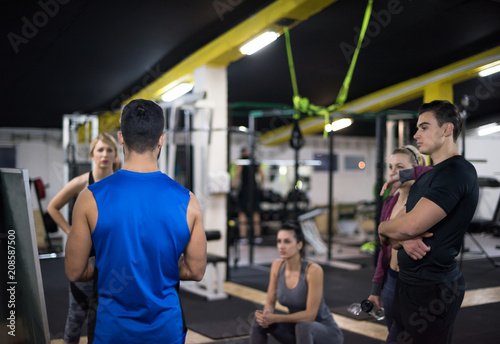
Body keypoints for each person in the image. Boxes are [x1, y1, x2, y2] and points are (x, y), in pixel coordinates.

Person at [65, 99, 207, 344]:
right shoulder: (188, 201)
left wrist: (108, 265)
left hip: (110, 331)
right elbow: (196, 270)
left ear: (121, 138)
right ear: (161, 139)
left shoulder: (89, 198)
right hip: (166, 331)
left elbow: (75, 270)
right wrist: (161, 266)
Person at [379, 100, 479, 344]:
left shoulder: (457, 172)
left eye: (424, 127)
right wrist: (397, 236)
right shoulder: (431, 176)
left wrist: (384, 227)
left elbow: (408, 226)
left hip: (433, 290)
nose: (416, 134)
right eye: (417, 128)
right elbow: (394, 238)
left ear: (446, 130)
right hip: (408, 284)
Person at [47, 132, 118, 344]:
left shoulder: (121, 183)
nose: (105, 154)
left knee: (102, 317)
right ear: (92, 155)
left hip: (111, 258)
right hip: (85, 256)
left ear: (116, 155)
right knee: (76, 315)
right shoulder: (81, 182)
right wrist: (70, 232)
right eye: (100, 150)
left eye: (109, 150)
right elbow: (53, 207)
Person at [367, 145, 432, 344]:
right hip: (391, 281)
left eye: (400, 167)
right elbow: (383, 249)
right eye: (391, 167)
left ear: (414, 168)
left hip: (412, 281)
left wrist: (408, 174)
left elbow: (438, 172)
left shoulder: (424, 200)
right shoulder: (389, 202)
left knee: (398, 338)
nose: (394, 172)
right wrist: (375, 289)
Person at [249, 220, 343, 344]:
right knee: (258, 322)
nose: (281, 246)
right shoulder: (277, 266)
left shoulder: (313, 270)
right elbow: (270, 302)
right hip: (298, 331)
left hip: (326, 334)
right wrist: (266, 315)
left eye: (287, 241)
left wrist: (276, 318)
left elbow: (310, 315)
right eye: (279, 241)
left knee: (303, 325)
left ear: (299, 245)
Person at [233, 147, 265, 244]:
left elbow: (237, 174)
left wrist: (234, 186)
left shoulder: (242, 161)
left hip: (245, 189)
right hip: (253, 189)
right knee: (255, 212)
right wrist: (261, 186)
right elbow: (262, 175)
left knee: (243, 213)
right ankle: (257, 236)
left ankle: (243, 237)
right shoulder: (254, 161)